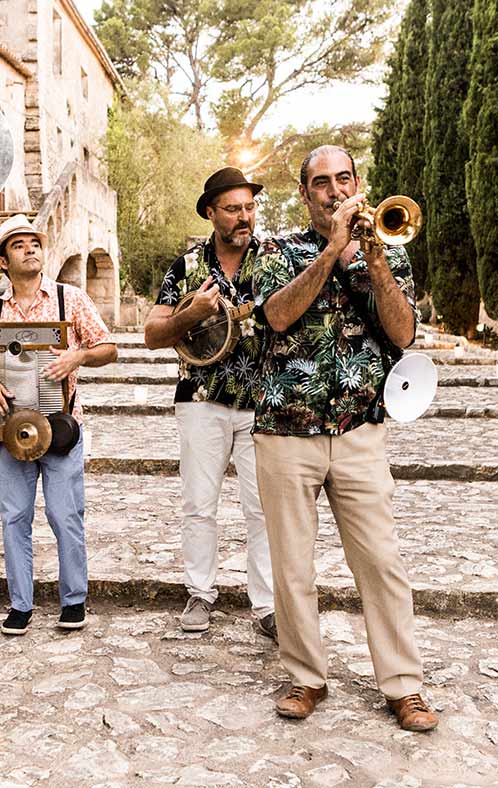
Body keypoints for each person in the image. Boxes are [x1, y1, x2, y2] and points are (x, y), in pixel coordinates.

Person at [249, 146, 438, 731]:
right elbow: (277, 316)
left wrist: (373, 261)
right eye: (321, 183)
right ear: (304, 194)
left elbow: (403, 333)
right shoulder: (275, 250)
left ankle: (403, 687)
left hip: (359, 429)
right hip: (286, 430)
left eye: (343, 179)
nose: (334, 190)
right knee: (293, 568)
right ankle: (306, 678)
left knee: (381, 561)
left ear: (358, 183)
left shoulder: (387, 248)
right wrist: (332, 250)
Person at [0, 214, 118, 635]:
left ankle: (73, 599)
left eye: (35, 242)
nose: (30, 249)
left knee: (66, 515)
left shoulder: (71, 300)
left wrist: (77, 356)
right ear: (2, 260)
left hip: (60, 427)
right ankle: (21, 604)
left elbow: (108, 348)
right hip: (10, 430)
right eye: (18, 244)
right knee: (14, 517)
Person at [143, 167, 276, 640]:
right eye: (234, 209)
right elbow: (152, 335)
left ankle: (268, 605)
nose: (245, 217)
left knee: (264, 508)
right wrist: (192, 312)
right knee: (200, 505)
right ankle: (200, 592)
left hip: (264, 399)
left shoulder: (277, 260)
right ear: (211, 213)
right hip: (201, 400)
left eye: (250, 208)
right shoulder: (185, 268)